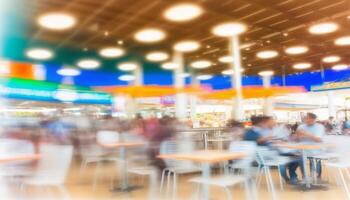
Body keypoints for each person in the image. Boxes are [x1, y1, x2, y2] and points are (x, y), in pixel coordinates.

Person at [244, 115, 303, 184]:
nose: (267, 124)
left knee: (295, 156)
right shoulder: (252, 132)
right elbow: (258, 142)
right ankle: (293, 178)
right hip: (267, 155)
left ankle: (292, 178)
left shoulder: (258, 131)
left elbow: (264, 141)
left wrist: (274, 140)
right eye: (266, 122)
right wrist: (270, 138)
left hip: (268, 152)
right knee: (297, 157)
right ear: (260, 123)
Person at [296, 112, 325, 179]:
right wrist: (297, 136)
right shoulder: (301, 126)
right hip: (303, 149)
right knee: (300, 157)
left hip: (316, 149)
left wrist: (306, 134)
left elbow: (318, 139)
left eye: (309, 118)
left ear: (314, 119)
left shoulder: (319, 127)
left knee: (314, 158)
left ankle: (316, 176)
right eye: (306, 118)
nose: (307, 120)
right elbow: (297, 139)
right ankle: (305, 176)